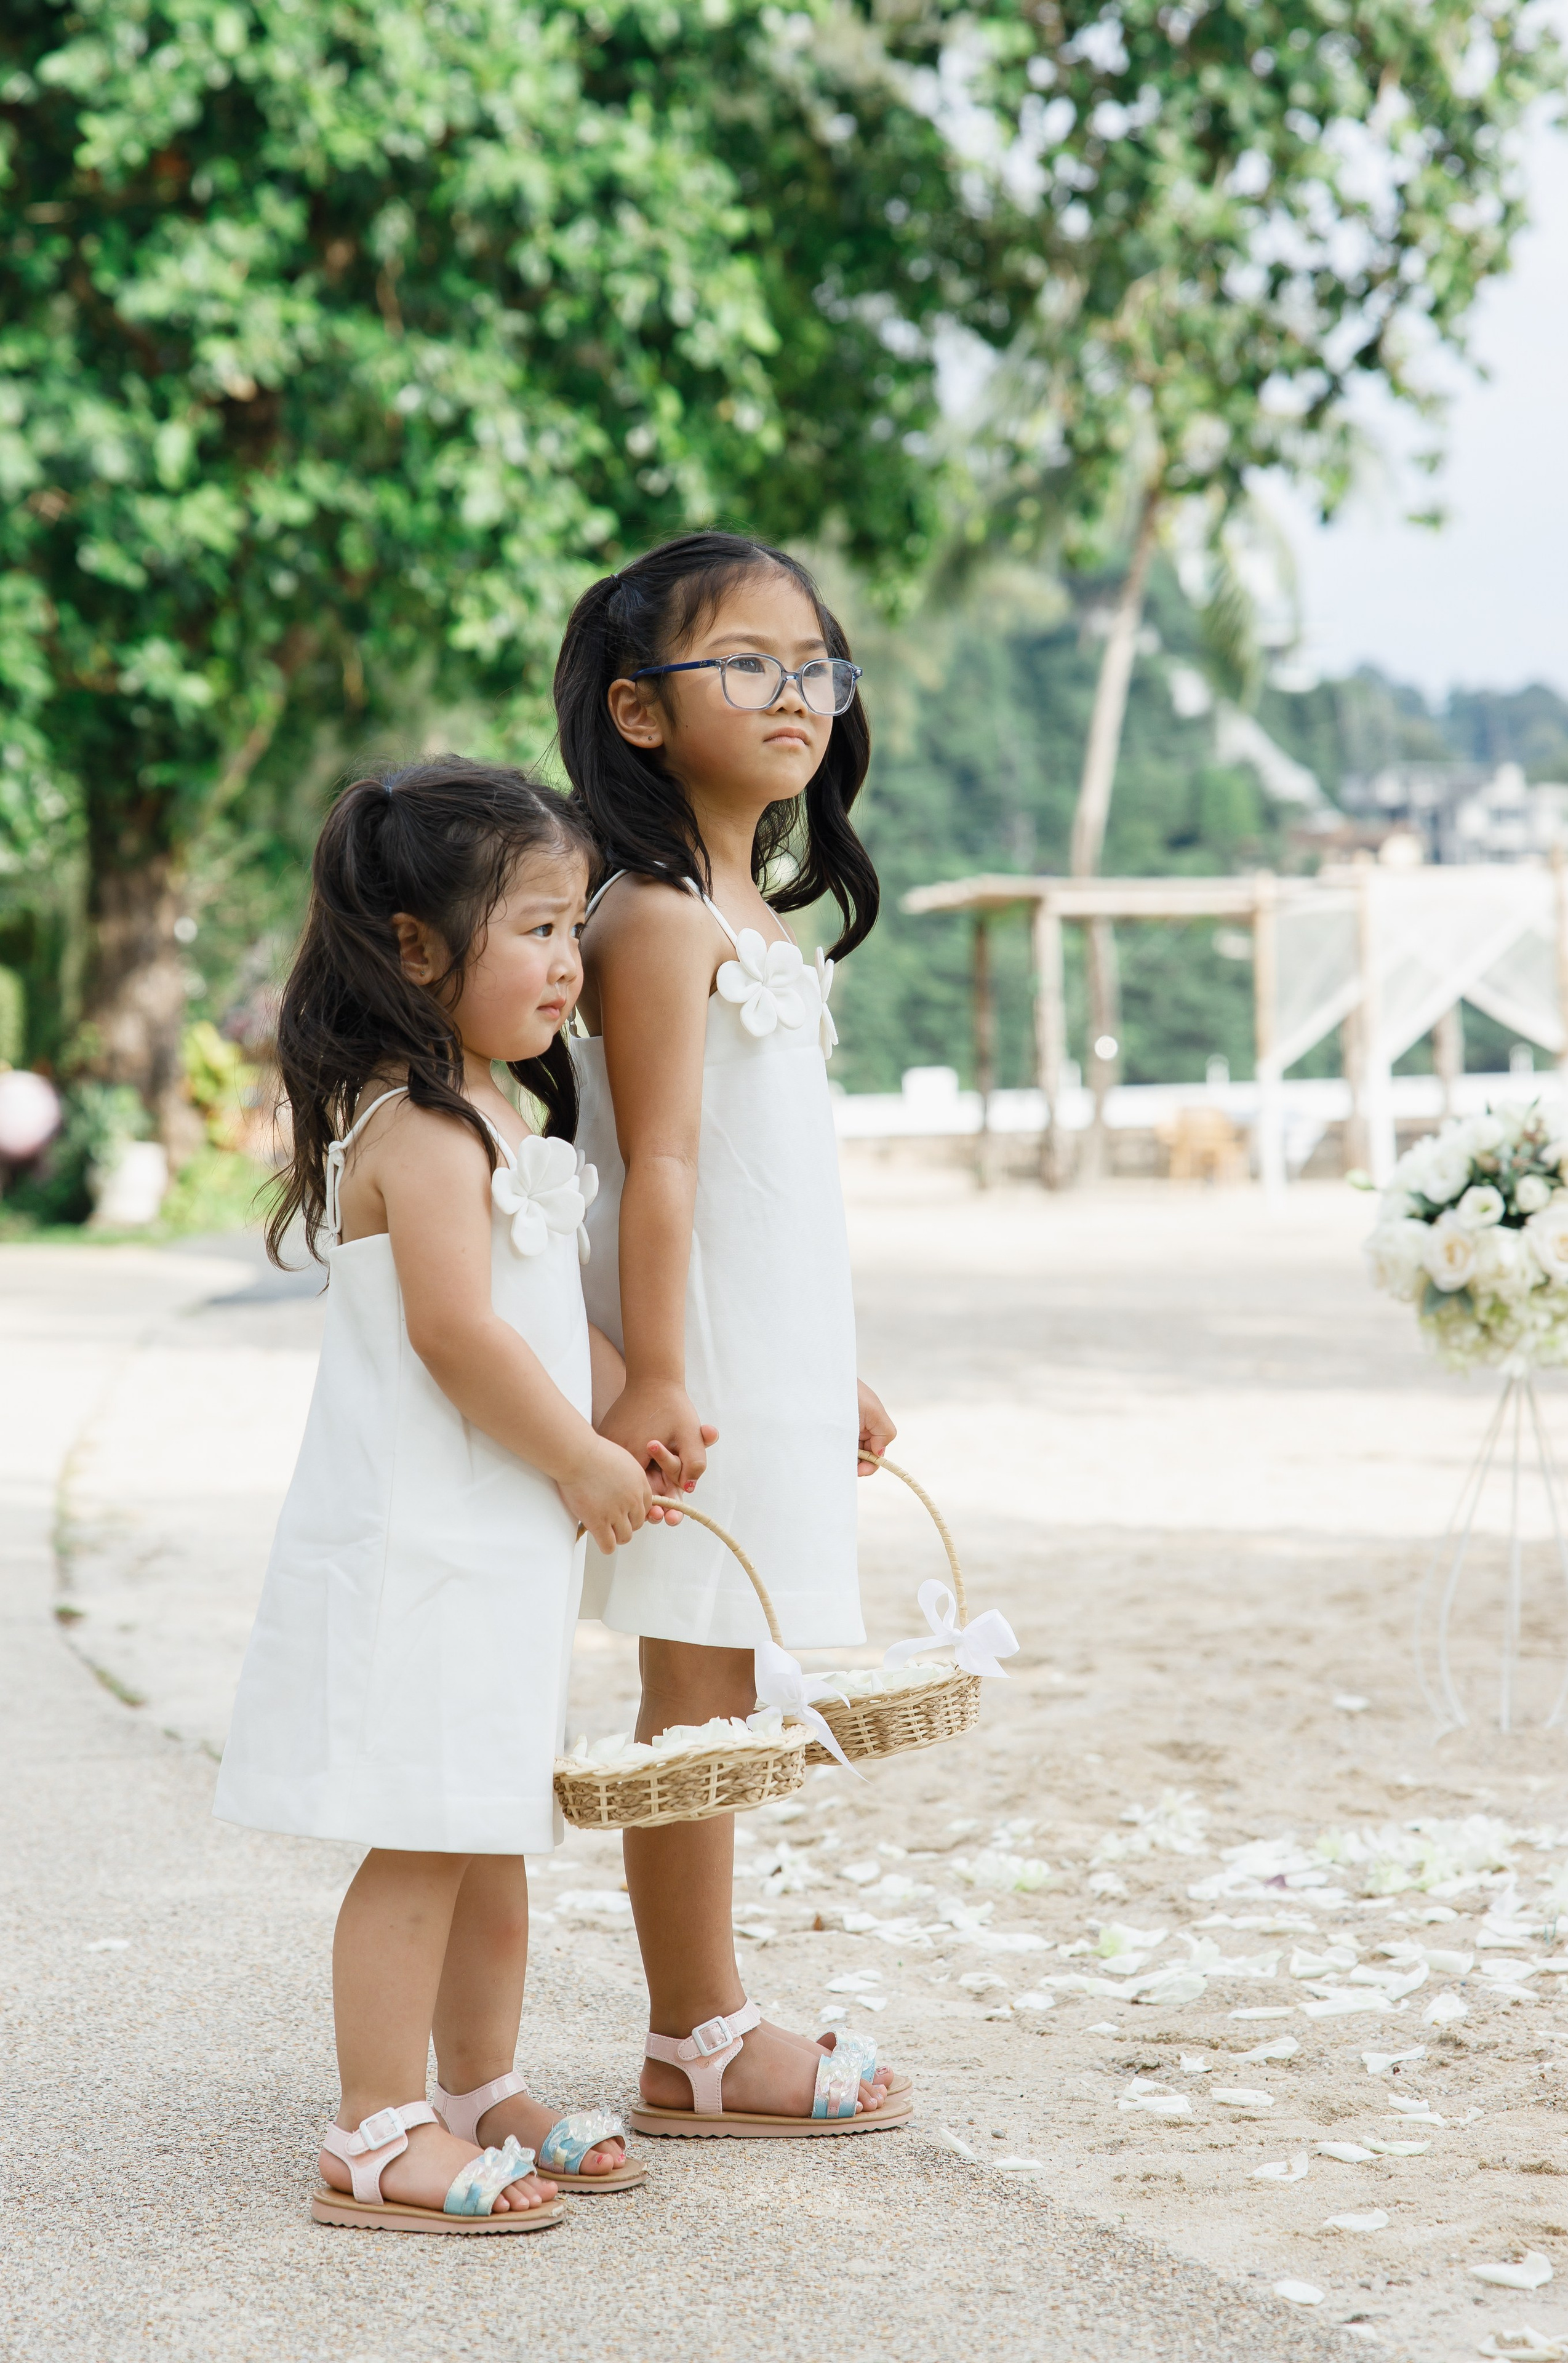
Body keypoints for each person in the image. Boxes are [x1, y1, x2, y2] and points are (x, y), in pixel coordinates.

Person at [214, 758, 666, 2230]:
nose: (567, 958)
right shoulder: (414, 1125)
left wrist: (626, 1411)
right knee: (419, 1830)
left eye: (570, 926)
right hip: (421, 1543)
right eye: (534, 927)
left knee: (488, 1821)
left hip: (494, 1544)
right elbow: (458, 1337)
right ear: (417, 949)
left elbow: (536, 1319)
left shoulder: (503, 1117)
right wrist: (580, 1458)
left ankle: (477, 2086)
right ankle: (372, 2123)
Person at [556, 532, 912, 2135]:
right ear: (639, 711)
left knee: (725, 1680)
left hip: (746, 1359)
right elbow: (659, 1166)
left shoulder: (748, 914)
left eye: (814, 664)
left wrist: (815, 1362)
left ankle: (704, 2019)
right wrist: (654, 1372)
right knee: (691, 1693)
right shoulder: (649, 919)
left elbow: (769, 1194)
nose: (796, 693)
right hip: (683, 1369)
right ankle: (696, 2032)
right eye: (748, 663)